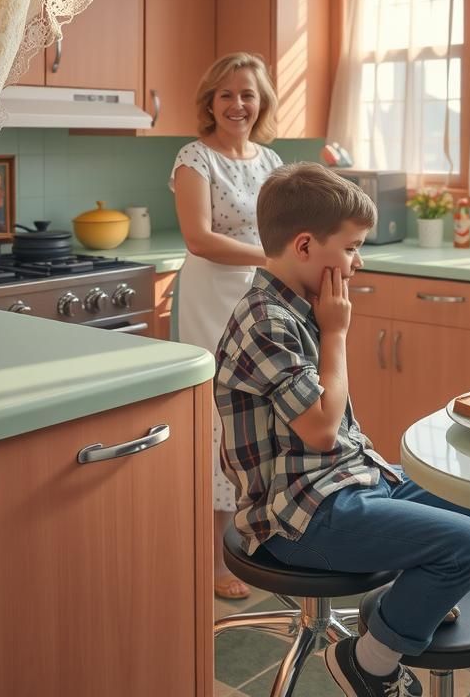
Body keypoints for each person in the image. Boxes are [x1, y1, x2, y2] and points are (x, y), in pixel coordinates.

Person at [215, 163, 470, 697]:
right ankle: (368, 662)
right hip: (297, 519)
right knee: (465, 542)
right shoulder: (266, 322)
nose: (359, 261)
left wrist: (329, 327)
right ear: (305, 246)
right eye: (351, 247)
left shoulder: (298, 306)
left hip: (347, 484)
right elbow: (323, 431)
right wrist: (337, 333)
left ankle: (406, 605)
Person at [169, 52, 283, 601]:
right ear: (210, 103)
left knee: (260, 411)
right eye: (227, 95)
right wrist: (270, 259)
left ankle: (252, 541)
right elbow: (198, 237)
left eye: (248, 95)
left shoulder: (272, 161)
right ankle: (213, 560)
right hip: (212, 296)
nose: (238, 104)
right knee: (219, 417)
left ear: (261, 104)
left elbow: (287, 228)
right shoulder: (195, 158)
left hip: (261, 296)